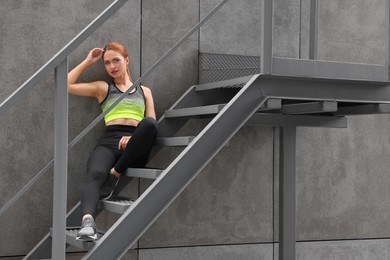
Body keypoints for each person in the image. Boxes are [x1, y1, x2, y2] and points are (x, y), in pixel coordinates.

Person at [68, 42, 157, 241]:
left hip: (135, 146)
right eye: (107, 63)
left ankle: (115, 174)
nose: (112, 66)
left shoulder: (145, 91)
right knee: (96, 173)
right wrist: (88, 61)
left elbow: (152, 124)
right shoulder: (103, 88)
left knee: (149, 125)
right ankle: (88, 223)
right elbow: (67, 85)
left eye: (116, 60)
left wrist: (134, 138)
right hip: (109, 142)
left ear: (127, 60)